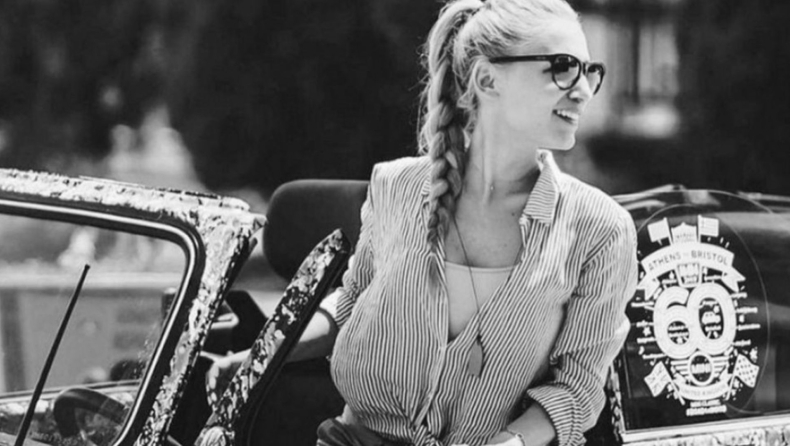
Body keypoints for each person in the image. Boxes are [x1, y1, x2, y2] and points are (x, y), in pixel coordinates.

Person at [209, 0, 637, 445]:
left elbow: (576, 387)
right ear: (487, 80)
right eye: (563, 68)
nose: (583, 91)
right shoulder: (396, 186)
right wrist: (260, 358)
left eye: (591, 72)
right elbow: (352, 301)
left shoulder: (600, 229)